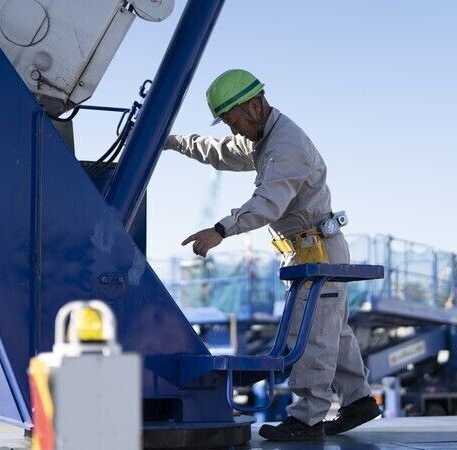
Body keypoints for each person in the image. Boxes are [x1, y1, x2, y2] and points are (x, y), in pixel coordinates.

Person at [163, 69, 381, 441]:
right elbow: (220, 152)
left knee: (310, 333)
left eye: (234, 121)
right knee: (331, 329)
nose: (233, 131)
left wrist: (220, 230)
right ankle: (359, 400)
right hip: (309, 249)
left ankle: (307, 419)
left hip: (316, 251)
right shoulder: (262, 139)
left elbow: (268, 203)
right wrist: (172, 142)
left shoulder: (286, 147)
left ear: (255, 105)